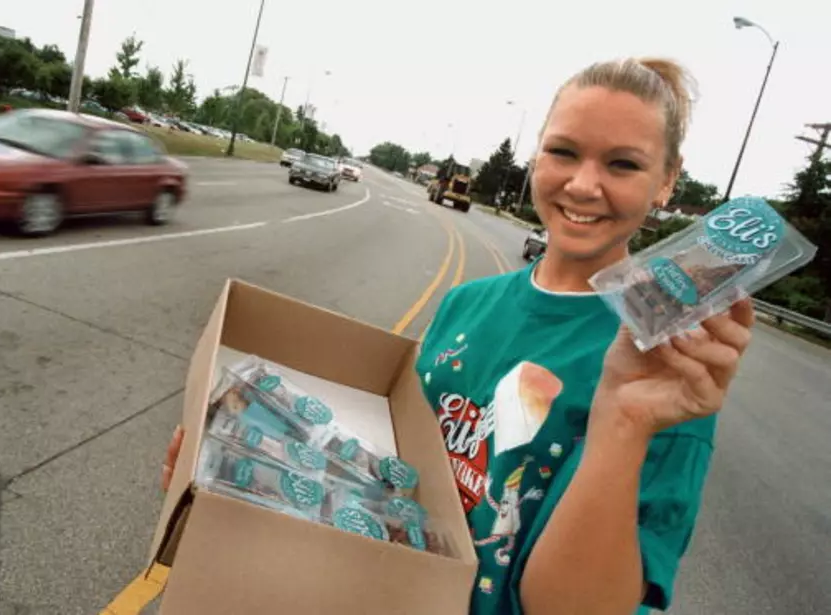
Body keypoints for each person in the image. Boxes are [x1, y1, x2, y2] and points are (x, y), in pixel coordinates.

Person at [161, 57, 755, 615]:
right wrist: (228, 482)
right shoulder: (466, 304)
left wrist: (622, 427)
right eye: (563, 152)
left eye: (623, 164)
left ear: (667, 183)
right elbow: (388, 483)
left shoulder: (664, 369)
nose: (582, 184)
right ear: (535, 157)